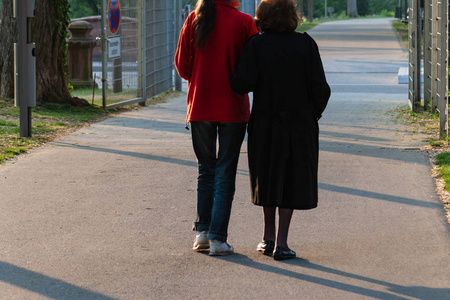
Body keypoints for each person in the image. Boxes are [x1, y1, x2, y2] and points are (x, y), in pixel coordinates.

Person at [231, 0, 330, 260]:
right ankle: (282, 243)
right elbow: (321, 88)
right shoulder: (306, 44)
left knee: (267, 176)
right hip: (300, 123)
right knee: (292, 178)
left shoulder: (256, 45)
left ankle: (267, 237)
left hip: (266, 121)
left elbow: (242, 83)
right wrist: (313, 115)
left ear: (262, 18)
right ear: (292, 15)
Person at [175, 0, 259, 256]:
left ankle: (202, 232)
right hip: (233, 108)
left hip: (200, 105)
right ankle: (217, 239)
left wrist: (202, 76)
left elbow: (182, 66)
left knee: (206, 170)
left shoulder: (194, 18)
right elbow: (253, 66)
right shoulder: (244, 22)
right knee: (225, 171)